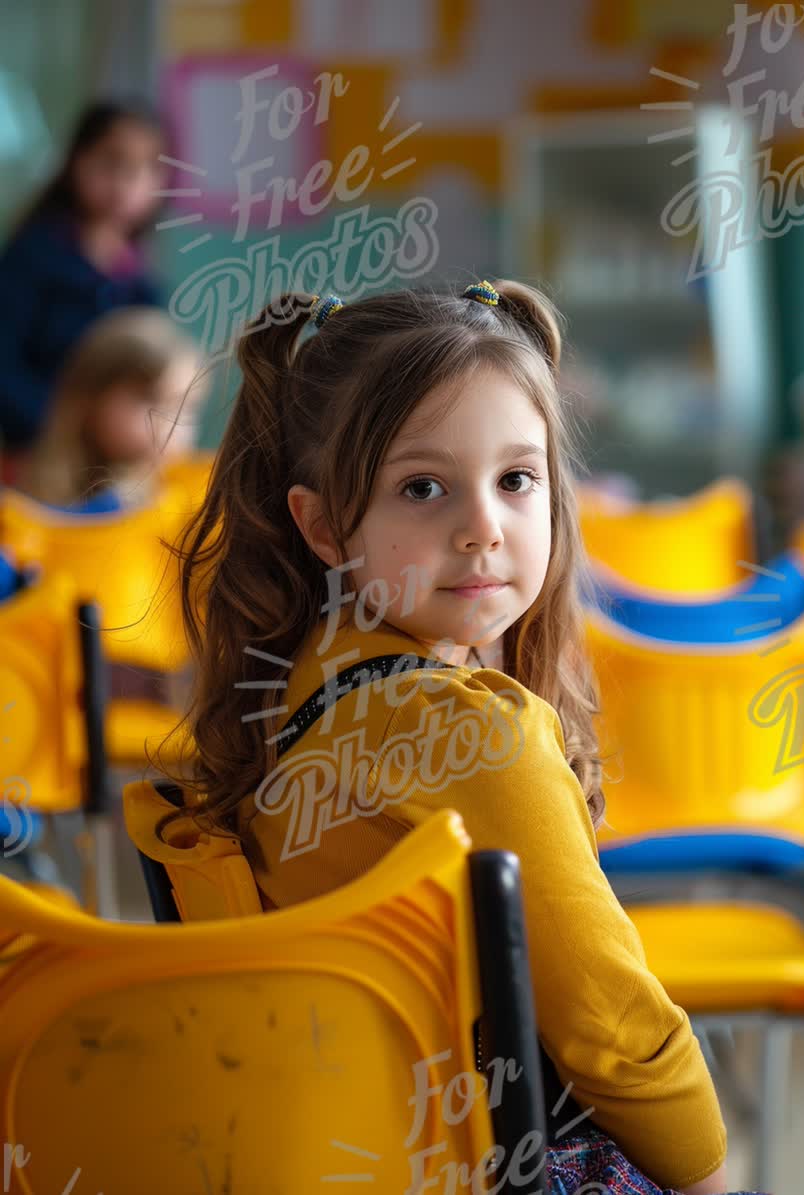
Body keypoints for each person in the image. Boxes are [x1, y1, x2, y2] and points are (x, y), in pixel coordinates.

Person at [158, 282, 769, 1195]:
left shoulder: (296, 684)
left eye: (516, 479)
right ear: (323, 524)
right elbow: (614, 1030)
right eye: (423, 487)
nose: (483, 526)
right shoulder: (473, 734)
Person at [0, 98, 167, 471]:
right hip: (34, 462)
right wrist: (63, 430)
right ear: (77, 161)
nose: (126, 183)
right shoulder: (32, 258)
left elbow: (153, 373)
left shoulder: (141, 282)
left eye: (145, 169)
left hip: (112, 467)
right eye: (112, 162)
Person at [15, 306, 205, 513]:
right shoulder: (32, 508)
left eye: (186, 408)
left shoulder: (186, 506)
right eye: (150, 400)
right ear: (90, 396)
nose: (170, 424)